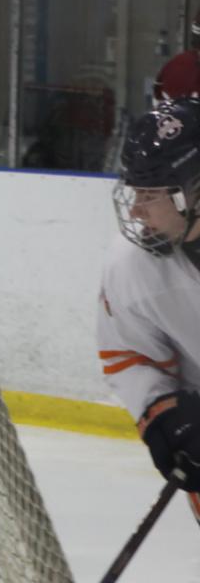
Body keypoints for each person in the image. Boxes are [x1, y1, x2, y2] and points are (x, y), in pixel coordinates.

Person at [98, 97, 200, 522]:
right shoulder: (132, 266)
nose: (137, 210)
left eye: (151, 194)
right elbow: (128, 356)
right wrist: (167, 415)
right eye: (135, 191)